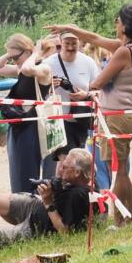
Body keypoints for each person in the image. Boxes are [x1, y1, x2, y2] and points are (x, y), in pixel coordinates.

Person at [46, 6, 132, 226]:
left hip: (116, 116)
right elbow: (93, 38)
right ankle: (127, 216)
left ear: (125, 25)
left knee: (120, 170)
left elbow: (99, 81)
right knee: (121, 168)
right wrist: (68, 28)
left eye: (118, 21)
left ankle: (121, 219)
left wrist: (84, 93)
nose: (115, 24)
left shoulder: (123, 51)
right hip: (122, 114)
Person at [0, 147, 93, 248]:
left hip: (37, 226)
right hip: (38, 205)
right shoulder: (80, 182)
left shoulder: (77, 195)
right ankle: (17, 228)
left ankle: (17, 233)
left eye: (64, 167)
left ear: (77, 172)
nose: (60, 170)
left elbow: (65, 232)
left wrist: (48, 202)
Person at [0, 34, 54, 197]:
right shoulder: (21, 69)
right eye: (12, 57)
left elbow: (27, 69)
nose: (13, 61)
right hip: (18, 125)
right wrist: (10, 54)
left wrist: (36, 54)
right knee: (17, 170)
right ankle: (21, 205)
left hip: (34, 126)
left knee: (28, 170)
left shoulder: (42, 68)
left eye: (16, 57)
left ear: (29, 51)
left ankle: (31, 206)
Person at [43, 30, 99, 164]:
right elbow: (37, 93)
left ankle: (62, 184)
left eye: (74, 43)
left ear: (80, 43)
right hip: (58, 120)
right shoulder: (48, 63)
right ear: (60, 43)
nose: (70, 47)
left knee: (74, 162)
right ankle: (64, 184)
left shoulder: (88, 62)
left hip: (81, 120)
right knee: (67, 161)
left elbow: (98, 90)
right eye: (66, 43)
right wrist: (50, 88)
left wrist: (86, 95)